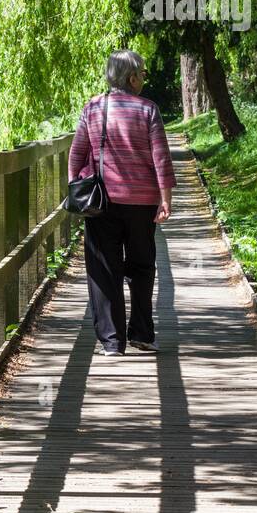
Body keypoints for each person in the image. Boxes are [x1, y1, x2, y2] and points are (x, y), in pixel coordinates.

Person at [68, 49, 176, 357]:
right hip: (142, 204)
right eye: (142, 73)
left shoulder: (93, 108)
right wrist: (165, 199)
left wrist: (76, 191)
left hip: (101, 202)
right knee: (142, 266)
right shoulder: (148, 110)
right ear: (132, 78)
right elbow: (161, 159)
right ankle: (142, 333)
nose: (144, 78)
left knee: (104, 269)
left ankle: (112, 341)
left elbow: (76, 154)